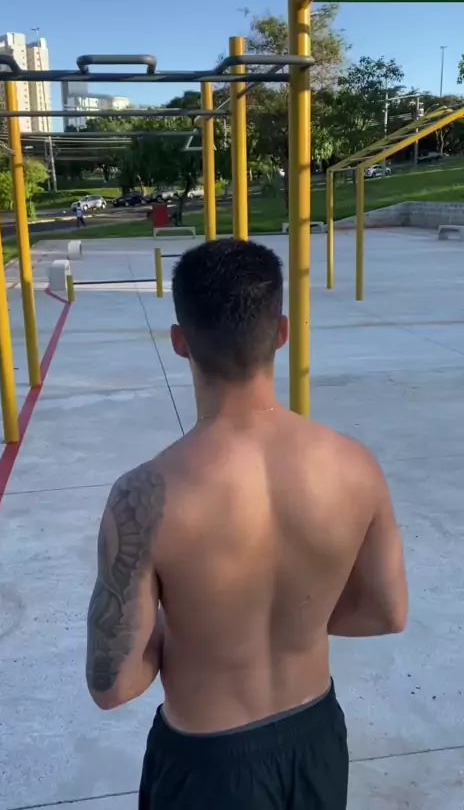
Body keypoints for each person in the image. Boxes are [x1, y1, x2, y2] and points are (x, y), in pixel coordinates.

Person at [86, 239, 408, 810]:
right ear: (281, 333)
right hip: (316, 740)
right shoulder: (355, 467)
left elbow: (113, 684)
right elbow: (388, 612)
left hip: (208, 765)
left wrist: (195, 633)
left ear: (180, 342)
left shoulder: (143, 497)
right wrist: (302, 619)